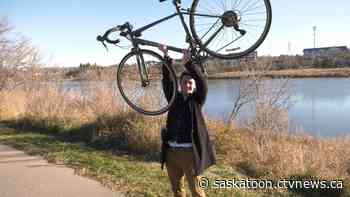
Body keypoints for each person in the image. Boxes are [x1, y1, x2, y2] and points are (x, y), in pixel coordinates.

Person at [159, 45, 216, 197]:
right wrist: (166, 57)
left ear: (194, 86)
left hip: (189, 153)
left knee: (197, 191)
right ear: (181, 84)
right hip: (171, 152)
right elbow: (167, 81)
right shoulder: (174, 99)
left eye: (191, 82)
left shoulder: (197, 101)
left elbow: (202, 81)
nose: (188, 84)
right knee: (177, 189)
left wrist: (188, 63)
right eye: (185, 82)